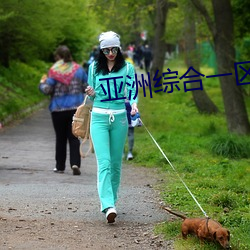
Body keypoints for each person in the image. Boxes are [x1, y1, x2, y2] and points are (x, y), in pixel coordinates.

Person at [85, 31, 138, 223]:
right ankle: (107, 205)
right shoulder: (94, 68)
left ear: (119, 48)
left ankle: (112, 202)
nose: (110, 53)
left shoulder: (128, 68)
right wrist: (90, 92)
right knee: (104, 163)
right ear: (101, 50)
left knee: (116, 164)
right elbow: (91, 97)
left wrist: (134, 104)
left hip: (120, 118)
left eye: (114, 49)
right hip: (98, 117)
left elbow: (132, 91)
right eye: (106, 50)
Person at [39, 45, 88, 175]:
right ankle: (75, 163)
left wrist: (42, 83)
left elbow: (47, 90)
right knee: (74, 137)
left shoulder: (54, 71)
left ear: (58, 57)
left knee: (60, 138)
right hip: (75, 109)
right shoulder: (79, 69)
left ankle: (60, 166)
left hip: (58, 109)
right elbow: (86, 87)